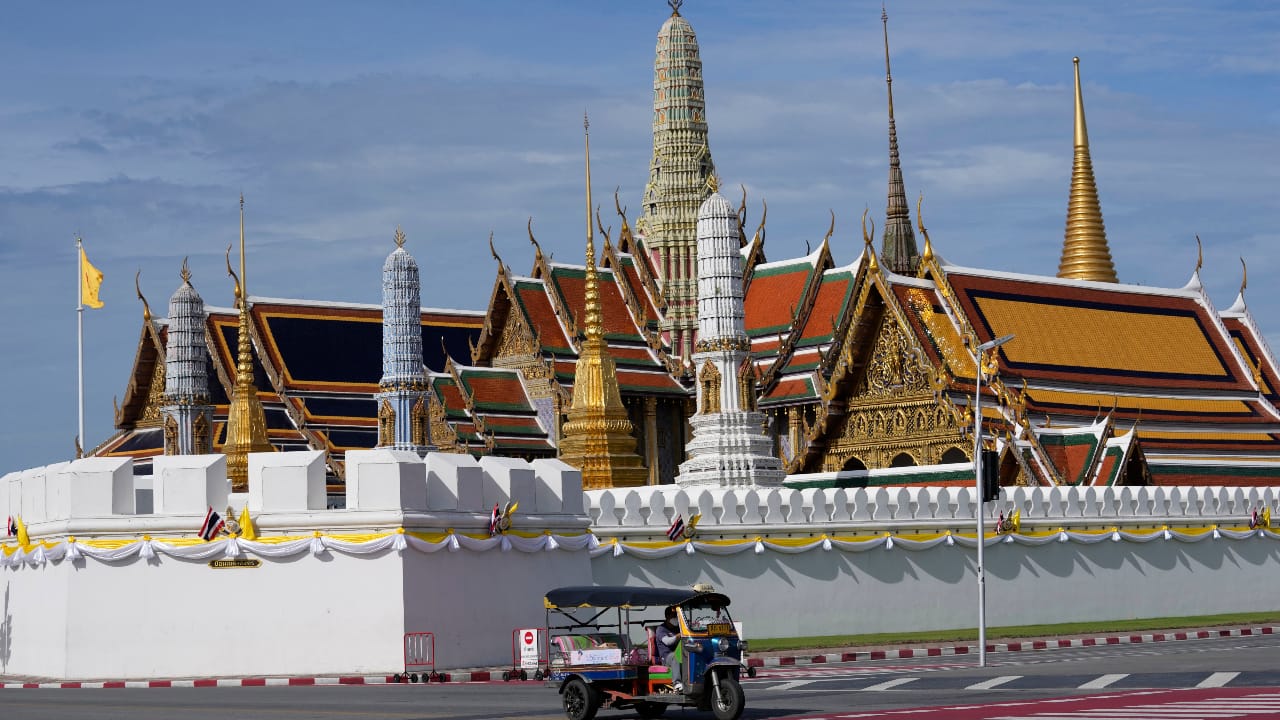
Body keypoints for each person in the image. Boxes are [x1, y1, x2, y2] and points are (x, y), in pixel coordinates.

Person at [654, 606, 684, 692]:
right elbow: (668, 641)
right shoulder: (661, 629)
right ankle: (677, 683)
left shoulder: (678, 628)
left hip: (680, 653)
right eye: (673, 616)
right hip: (667, 657)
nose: (675, 618)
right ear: (667, 617)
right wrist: (678, 636)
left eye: (676, 615)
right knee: (675, 656)